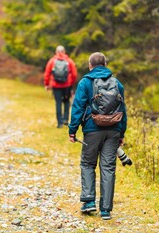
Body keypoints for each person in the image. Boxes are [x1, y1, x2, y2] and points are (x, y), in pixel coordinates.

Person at [68, 52, 127, 220]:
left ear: (90, 65)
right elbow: (123, 110)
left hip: (92, 129)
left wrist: (73, 129)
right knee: (108, 168)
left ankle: (89, 202)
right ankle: (106, 210)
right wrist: (121, 132)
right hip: (114, 129)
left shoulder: (85, 82)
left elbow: (78, 107)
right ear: (105, 64)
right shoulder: (117, 83)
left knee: (87, 163)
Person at [44, 45, 77, 128]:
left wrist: (47, 84)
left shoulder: (52, 61)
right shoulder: (69, 61)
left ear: (56, 52)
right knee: (66, 101)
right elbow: (74, 74)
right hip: (67, 85)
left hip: (56, 86)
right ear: (64, 52)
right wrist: (71, 83)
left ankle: (60, 123)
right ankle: (66, 120)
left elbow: (47, 73)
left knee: (58, 102)